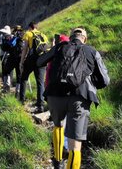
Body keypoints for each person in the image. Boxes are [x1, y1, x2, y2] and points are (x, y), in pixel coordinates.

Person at [37, 28, 110, 169]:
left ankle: (58, 162)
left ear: (70, 38)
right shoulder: (91, 51)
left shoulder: (60, 47)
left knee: (58, 126)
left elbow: (40, 62)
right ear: (85, 39)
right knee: (75, 143)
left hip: (55, 95)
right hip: (80, 98)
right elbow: (105, 81)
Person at [19, 21, 49, 112]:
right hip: (42, 60)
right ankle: (41, 105)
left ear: (29, 27)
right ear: (36, 27)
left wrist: (21, 62)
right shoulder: (43, 35)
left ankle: (21, 100)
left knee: (24, 78)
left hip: (31, 59)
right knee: (40, 82)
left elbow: (25, 49)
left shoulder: (28, 34)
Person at [8, 25, 24, 96]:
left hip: (13, 57)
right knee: (19, 74)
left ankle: (8, 85)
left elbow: (9, 44)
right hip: (20, 57)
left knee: (8, 70)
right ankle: (17, 91)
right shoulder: (23, 34)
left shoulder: (13, 35)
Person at [0, 26, 13, 92]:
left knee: (5, 69)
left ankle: (6, 85)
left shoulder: (3, 37)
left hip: (4, 55)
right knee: (8, 70)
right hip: (9, 55)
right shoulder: (11, 37)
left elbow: (2, 47)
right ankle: (7, 84)